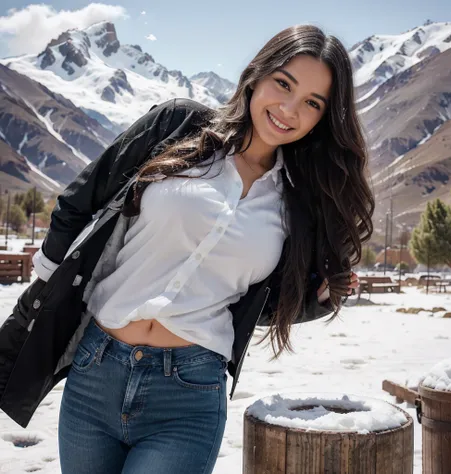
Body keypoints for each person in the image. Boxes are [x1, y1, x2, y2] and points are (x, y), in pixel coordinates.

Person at [0, 24, 373, 474]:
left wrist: (321, 298)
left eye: (312, 103)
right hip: (95, 372)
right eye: (284, 84)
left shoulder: (299, 203)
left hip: (189, 392)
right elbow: (81, 201)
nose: (289, 109)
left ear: (322, 118)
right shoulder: (177, 126)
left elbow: (265, 303)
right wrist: (43, 290)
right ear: (257, 74)